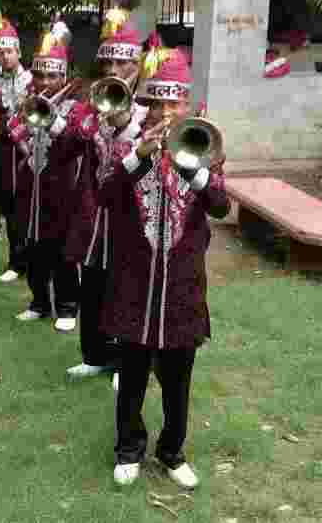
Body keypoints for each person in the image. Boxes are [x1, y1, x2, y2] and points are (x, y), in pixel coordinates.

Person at [98, 41, 228, 490]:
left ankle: (172, 452)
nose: (166, 110)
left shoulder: (204, 146)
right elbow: (105, 196)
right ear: (146, 105)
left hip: (182, 287)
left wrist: (191, 165)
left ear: (186, 103)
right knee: (132, 376)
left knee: (177, 379)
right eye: (158, 102)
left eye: (174, 100)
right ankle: (128, 448)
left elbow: (221, 205)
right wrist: (141, 155)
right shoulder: (128, 146)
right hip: (135, 282)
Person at [65, 21, 148, 383]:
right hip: (95, 213)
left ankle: (126, 361)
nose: (114, 71)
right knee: (94, 283)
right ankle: (95, 354)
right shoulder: (93, 102)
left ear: (138, 65)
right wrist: (83, 123)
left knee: (127, 287)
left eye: (122, 64)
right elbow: (66, 153)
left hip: (133, 218)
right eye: (108, 64)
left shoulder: (151, 110)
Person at [5, 24, 82, 330]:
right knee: (32, 242)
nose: (46, 82)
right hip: (31, 183)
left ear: (63, 76)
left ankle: (67, 307)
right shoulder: (28, 100)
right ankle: (38, 302)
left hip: (62, 187)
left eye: (53, 76)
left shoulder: (76, 106)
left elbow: (74, 144)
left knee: (61, 248)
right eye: (40, 76)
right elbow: (13, 130)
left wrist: (54, 118)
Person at [0, 17, 32, 282]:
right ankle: (16, 260)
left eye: (9, 51)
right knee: (8, 203)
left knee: (28, 205)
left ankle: (29, 260)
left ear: (18, 51)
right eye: (0, 53)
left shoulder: (30, 79)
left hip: (27, 151)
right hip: (2, 147)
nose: (5, 57)